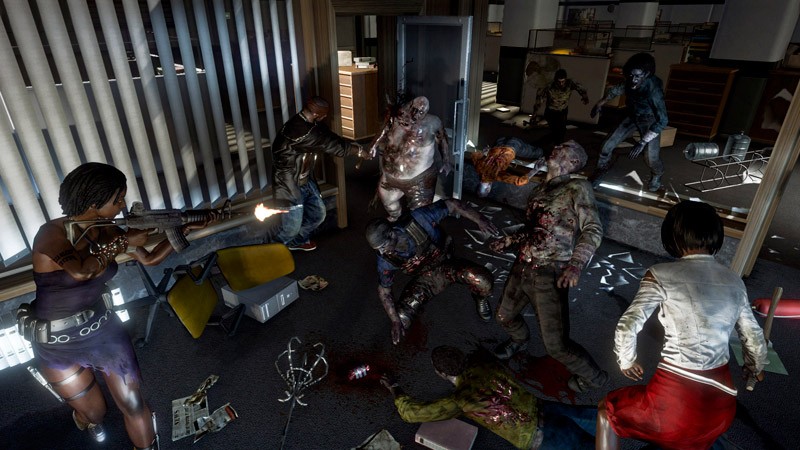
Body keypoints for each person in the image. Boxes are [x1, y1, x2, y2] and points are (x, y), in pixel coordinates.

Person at [21, 163, 215, 449]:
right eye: (118, 199)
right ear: (95, 202)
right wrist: (123, 241)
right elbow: (81, 271)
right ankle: (87, 419)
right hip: (57, 341)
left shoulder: (106, 231)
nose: (122, 205)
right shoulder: (51, 234)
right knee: (95, 413)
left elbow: (149, 258)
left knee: (134, 404)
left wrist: (184, 228)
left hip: (103, 330)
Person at [596, 200, 769, 450]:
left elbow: (627, 325)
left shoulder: (660, 274)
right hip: (722, 407)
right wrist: (755, 367)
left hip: (676, 404)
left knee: (607, 409)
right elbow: (753, 337)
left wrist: (626, 361)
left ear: (672, 236)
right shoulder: (734, 280)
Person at [490, 140, 607, 393]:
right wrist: (509, 241)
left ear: (574, 162)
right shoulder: (539, 190)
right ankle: (519, 340)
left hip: (550, 272)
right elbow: (533, 230)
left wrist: (576, 264)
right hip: (523, 264)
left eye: (563, 147)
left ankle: (595, 378)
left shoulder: (577, 187)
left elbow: (593, 228)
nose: (556, 147)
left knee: (556, 346)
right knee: (504, 316)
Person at [380, 345, 598, 449]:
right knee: (602, 425)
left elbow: (412, 413)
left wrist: (395, 388)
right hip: (549, 411)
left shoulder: (462, 400)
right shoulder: (485, 365)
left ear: (441, 373)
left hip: (541, 440)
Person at [365, 198, 496, 345]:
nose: (382, 252)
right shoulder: (385, 259)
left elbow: (452, 204)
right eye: (378, 249)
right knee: (402, 318)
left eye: (383, 247)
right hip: (426, 280)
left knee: (483, 281)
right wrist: (395, 320)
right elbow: (384, 291)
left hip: (448, 263)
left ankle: (480, 299)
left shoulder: (418, 219)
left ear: (391, 234)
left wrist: (479, 219)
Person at [269, 96, 368, 251]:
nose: (326, 116)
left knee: (318, 214)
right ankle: (273, 251)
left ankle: (297, 241)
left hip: (305, 180)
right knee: (290, 228)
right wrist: (360, 151)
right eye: (324, 114)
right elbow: (333, 145)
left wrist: (352, 145)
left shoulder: (311, 124)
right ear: (316, 114)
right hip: (288, 185)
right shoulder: (300, 131)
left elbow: (329, 137)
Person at [589, 52, 668, 192]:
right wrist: (600, 103)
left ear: (646, 74)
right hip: (632, 116)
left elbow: (663, 120)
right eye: (631, 76)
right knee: (606, 146)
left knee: (651, 157)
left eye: (637, 76)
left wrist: (642, 142)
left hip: (650, 120)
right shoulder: (629, 81)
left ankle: (657, 174)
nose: (633, 80)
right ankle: (601, 169)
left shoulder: (654, 90)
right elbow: (615, 90)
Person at [369, 95, 451, 221]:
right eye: (409, 110)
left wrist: (446, 161)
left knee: (420, 217)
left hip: (418, 180)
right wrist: (373, 145)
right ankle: (396, 217)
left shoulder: (432, 123)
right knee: (388, 203)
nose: (412, 115)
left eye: (419, 112)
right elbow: (384, 130)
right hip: (390, 177)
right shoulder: (395, 116)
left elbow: (442, 139)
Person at [471, 136, 545, 198]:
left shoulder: (495, 176)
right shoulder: (478, 168)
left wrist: (535, 170)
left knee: (539, 153)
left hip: (512, 146)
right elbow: (475, 154)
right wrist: (485, 152)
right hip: (500, 141)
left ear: (488, 189)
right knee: (528, 148)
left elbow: (520, 181)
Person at [532, 69, 590, 146]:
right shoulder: (549, 86)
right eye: (559, 82)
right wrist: (534, 114)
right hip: (551, 111)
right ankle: (544, 144)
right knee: (555, 131)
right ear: (555, 80)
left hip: (562, 110)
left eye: (563, 81)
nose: (561, 84)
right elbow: (539, 100)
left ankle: (557, 145)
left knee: (561, 131)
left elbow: (581, 88)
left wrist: (585, 97)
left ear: (565, 79)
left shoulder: (570, 83)